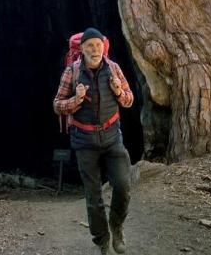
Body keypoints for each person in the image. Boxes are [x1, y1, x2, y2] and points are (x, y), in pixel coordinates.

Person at [53, 27, 134, 254]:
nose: (95, 50)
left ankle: (116, 226)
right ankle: (102, 240)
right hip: (84, 141)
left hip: (112, 138)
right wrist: (76, 99)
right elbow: (57, 105)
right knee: (93, 196)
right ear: (82, 49)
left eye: (98, 45)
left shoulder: (114, 69)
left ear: (103, 47)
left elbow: (129, 100)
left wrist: (119, 92)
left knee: (123, 185)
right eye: (90, 46)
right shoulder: (72, 72)